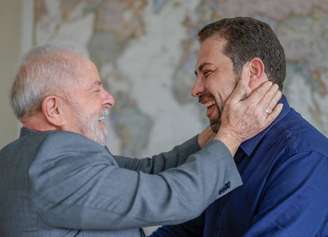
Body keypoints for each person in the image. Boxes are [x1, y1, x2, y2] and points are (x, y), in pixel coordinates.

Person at [0, 44, 281, 237]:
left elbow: (146, 170)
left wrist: (211, 135)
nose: (109, 99)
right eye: (95, 90)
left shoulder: (28, 157)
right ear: (54, 109)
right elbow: (173, 197)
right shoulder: (54, 168)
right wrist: (232, 134)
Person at [151, 17, 328, 237]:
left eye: (207, 73)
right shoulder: (227, 145)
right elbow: (183, 231)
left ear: (253, 72)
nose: (195, 90)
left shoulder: (304, 158)